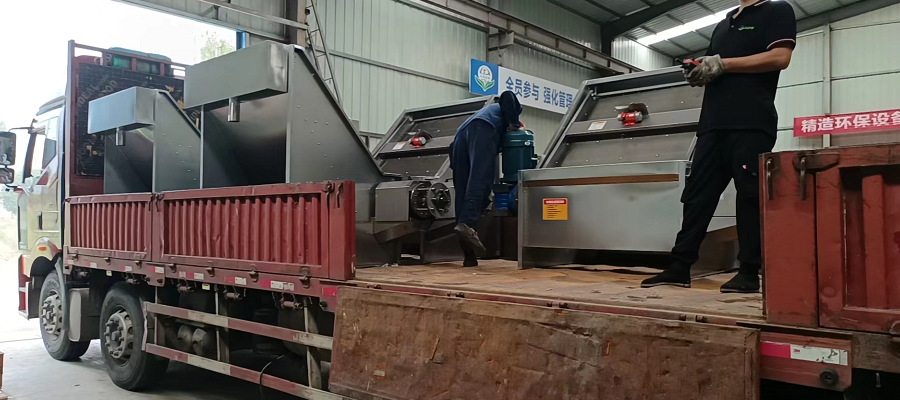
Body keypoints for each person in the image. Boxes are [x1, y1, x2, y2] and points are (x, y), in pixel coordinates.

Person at [641, 0, 796, 293]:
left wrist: (723, 63)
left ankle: (749, 272)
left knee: (749, 195)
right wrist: (701, 69)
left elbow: (780, 57)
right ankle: (680, 266)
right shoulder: (724, 24)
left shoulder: (777, 10)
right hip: (713, 123)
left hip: (751, 120)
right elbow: (717, 66)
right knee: (697, 195)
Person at [450, 90, 523, 267]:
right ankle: (467, 223)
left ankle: (469, 257)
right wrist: (515, 124)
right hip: (482, 128)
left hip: (459, 137)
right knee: (481, 180)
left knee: (462, 191)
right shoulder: (507, 112)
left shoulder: (484, 116)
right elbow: (507, 95)